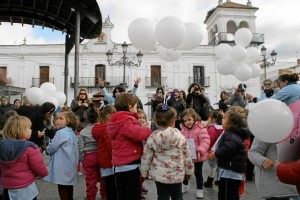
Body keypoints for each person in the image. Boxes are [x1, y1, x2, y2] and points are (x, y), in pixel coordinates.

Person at [140, 104, 194, 200]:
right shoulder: (180, 137)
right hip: (177, 174)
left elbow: (146, 157)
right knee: (177, 195)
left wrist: (144, 172)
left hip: (160, 175)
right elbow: (187, 156)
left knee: (162, 196)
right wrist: (189, 172)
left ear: (156, 121)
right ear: (173, 121)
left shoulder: (152, 137)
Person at [107, 93, 152, 200]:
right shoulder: (126, 120)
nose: (137, 109)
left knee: (122, 194)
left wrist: (139, 126)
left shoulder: (116, 119)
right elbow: (138, 134)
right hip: (130, 164)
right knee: (132, 194)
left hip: (119, 165)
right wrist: (148, 130)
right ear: (130, 106)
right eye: (136, 106)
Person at [0, 115, 48, 200]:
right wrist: (45, 173)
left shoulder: (2, 145)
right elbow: (38, 167)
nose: (31, 130)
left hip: (8, 187)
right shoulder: (30, 147)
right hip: (26, 188)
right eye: (29, 128)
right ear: (21, 130)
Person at [207, 107, 248, 200]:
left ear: (232, 123)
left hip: (230, 172)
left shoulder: (231, 135)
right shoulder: (232, 133)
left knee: (225, 195)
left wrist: (216, 154)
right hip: (231, 171)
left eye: (225, 118)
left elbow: (228, 149)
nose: (222, 119)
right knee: (232, 194)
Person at [44, 110, 79, 200]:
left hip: (62, 163)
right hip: (70, 162)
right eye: (56, 118)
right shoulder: (72, 132)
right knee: (69, 185)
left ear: (68, 121)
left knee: (62, 185)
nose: (57, 121)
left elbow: (53, 146)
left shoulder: (61, 133)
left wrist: (47, 150)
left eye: (61, 118)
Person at [78, 103, 106, 200]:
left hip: (88, 156)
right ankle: (104, 196)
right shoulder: (103, 129)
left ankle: (90, 196)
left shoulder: (83, 132)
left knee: (90, 180)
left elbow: (80, 148)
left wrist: (83, 159)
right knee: (103, 178)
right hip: (101, 155)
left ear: (87, 118)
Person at [180, 108, 210, 198]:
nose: (187, 122)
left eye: (189, 120)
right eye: (185, 121)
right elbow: (181, 141)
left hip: (198, 155)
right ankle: (185, 186)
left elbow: (205, 140)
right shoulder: (183, 129)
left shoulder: (200, 128)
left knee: (198, 173)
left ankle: (200, 189)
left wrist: (201, 149)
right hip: (187, 155)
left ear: (194, 118)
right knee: (186, 172)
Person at [92, 105, 117, 200]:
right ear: (109, 116)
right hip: (110, 162)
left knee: (108, 186)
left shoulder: (100, 128)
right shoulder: (108, 129)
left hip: (104, 162)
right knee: (113, 189)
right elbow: (111, 147)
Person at [204, 110, 224, 188]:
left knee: (212, 166)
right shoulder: (224, 127)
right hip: (222, 150)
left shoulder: (212, 128)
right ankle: (219, 180)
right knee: (220, 165)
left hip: (213, 150)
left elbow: (210, 140)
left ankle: (210, 181)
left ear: (213, 119)